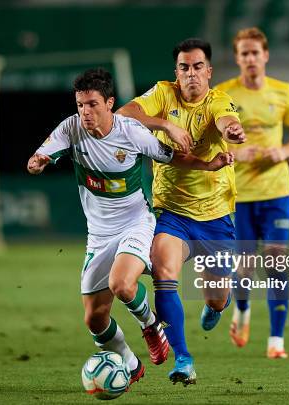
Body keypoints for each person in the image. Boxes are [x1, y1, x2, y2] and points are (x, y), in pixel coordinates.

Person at [27, 68, 234, 386]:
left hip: (135, 224)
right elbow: (46, 149)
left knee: (122, 285)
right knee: (94, 319)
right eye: (80, 105)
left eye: (93, 104)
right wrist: (38, 160)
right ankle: (129, 361)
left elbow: (172, 156)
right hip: (98, 234)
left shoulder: (132, 133)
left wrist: (207, 164)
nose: (86, 112)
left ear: (109, 103)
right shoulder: (71, 129)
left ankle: (151, 326)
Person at [117, 38, 245, 385]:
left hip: (216, 217)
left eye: (198, 67)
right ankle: (184, 359)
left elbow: (226, 121)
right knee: (164, 273)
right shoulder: (162, 93)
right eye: (184, 68)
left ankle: (216, 306)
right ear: (177, 72)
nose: (191, 74)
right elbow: (123, 115)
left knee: (217, 299)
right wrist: (165, 124)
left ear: (209, 71)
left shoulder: (218, 101)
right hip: (172, 213)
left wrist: (232, 131)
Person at [214, 27, 289, 359]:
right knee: (244, 266)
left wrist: (284, 152)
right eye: (244, 53)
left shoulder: (284, 92)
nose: (250, 58)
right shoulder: (223, 95)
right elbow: (211, 140)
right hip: (239, 194)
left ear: (265, 55)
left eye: (255, 52)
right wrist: (237, 153)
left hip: (276, 191)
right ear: (237, 58)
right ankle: (241, 310)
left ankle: (276, 341)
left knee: (276, 260)